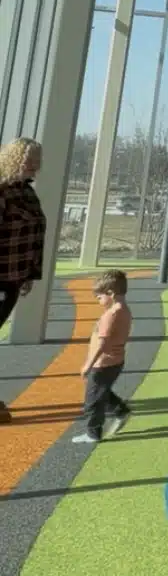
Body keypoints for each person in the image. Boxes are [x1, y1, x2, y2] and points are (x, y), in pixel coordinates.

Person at [0, 137, 47, 426]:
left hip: (14, 279)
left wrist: (29, 274)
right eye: (28, 158)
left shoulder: (28, 194)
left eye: (37, 158)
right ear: (14, 157)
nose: (34, 164)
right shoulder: (2, 192)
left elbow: (33, 237)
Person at [73, 270, 133, 445]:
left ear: (110, 294)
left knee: (92, 401)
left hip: (103, 363)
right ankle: (121, 410)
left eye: (99, 297)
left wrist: (88, 364)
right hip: (116, 360)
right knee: (102, 391)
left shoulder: (111, 315)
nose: (98, 301)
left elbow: (102, 343)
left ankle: (93, 433)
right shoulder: (124, 309)